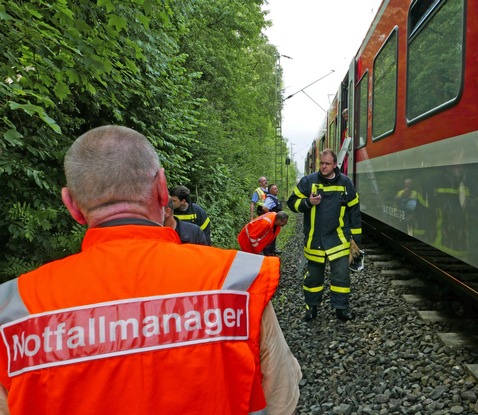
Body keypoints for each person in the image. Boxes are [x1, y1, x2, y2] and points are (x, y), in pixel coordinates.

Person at [0, 125, 301, 415]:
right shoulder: (235, 283)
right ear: (161, 189)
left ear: (72, 205)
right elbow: (281, 398)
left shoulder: (15, 310)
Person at [287, 148, 362, 322]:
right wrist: (308, 202)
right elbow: (292, 203)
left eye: (328, 164)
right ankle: (311, 309)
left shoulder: (345, 183)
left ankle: (341, 310)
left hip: (339, 240)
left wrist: (356, 241)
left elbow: (354, 212)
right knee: (313, 278)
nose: (324, 167)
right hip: (315, 240)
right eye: (321, 163)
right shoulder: (308, 181)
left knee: (341, 277)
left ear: (335, 164)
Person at [262, 184, 283, 255]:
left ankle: (272, 249)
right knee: (270, 236)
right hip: (272, 221)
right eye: (274, 189)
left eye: (277, 188)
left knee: (274, 235)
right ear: (270, 191)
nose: (277, 190)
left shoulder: (274, 198)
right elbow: (264, 208)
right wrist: (271, 216)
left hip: (276, 222)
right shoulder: (269, 199)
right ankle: (268, 252)